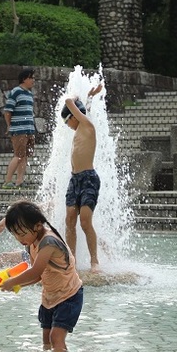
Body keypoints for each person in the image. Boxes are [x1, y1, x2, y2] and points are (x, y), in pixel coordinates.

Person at [0, 200, 83, 352]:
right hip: (50, 296)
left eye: (22, 234)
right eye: (15, 234)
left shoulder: (49, 242)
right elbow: (38, 276)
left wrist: (13, 281)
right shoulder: (31, 243)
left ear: (37, 226)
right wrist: (19, 285)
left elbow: (35, 271)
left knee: (56, 337)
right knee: (46, 339)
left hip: (69, 295)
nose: (19, 238)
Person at [61, 84, 103, 272]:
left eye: (66, 121)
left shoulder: (87, 126)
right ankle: (72, 260)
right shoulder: (81, 128)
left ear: (73, 117)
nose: (67, 125)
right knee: (70, 219)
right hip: (74, 179)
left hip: (88, 179)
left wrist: (76, 96)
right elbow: (85, 110)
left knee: (85, 221)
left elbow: (69, 102)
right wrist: (89, 97)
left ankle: (95, 261)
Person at [2, 68, 36, 189]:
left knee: (25, 156)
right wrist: (9, 126)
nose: (33, 80)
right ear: (24, 79)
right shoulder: (16, 92)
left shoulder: (29, 94)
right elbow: (7, 111)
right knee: (18, 155)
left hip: (29, 130)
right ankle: (8, 181)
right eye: (31, 78)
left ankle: (19, 180)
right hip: (19, 130)